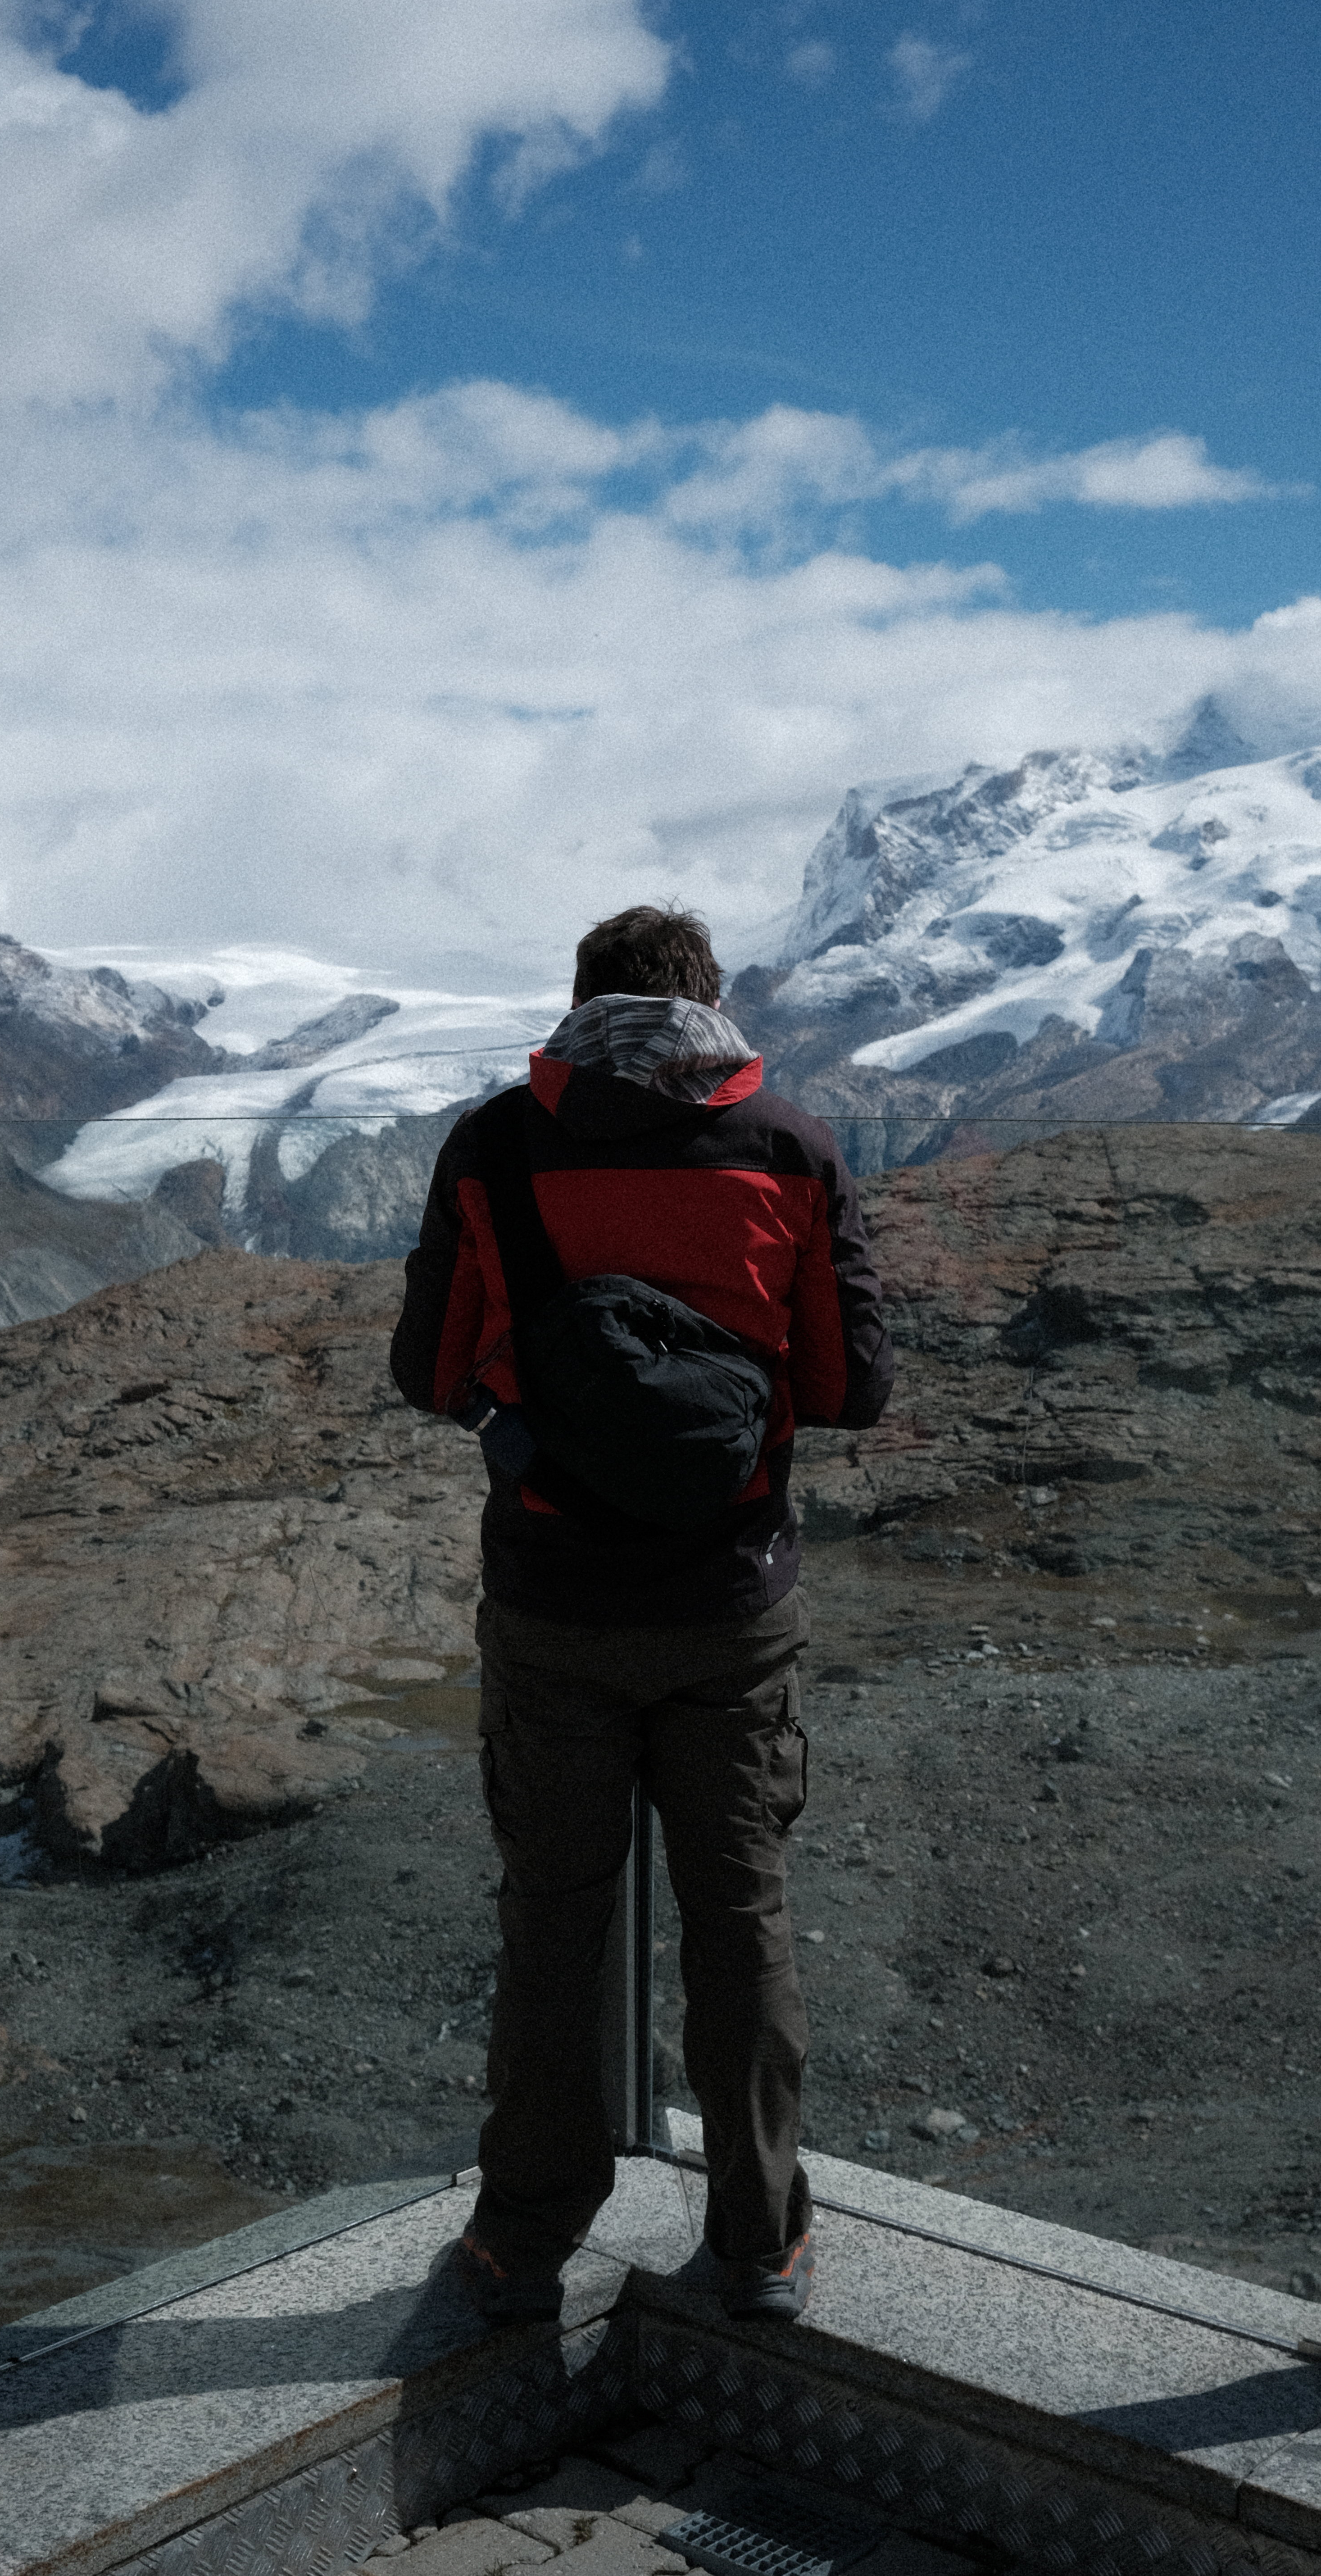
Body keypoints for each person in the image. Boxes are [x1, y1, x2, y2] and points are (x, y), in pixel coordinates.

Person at [389, 904, 894, 2322]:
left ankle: (525, 2236)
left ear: (579, 1004)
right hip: (731, 1605)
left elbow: (428, 1370)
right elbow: (855, 1384)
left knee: (552, 1919)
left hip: (552, 1601)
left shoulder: (495, 1146)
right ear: (711, 1009)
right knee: (738, 1917)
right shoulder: (791, 1149)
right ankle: (760, 2237)